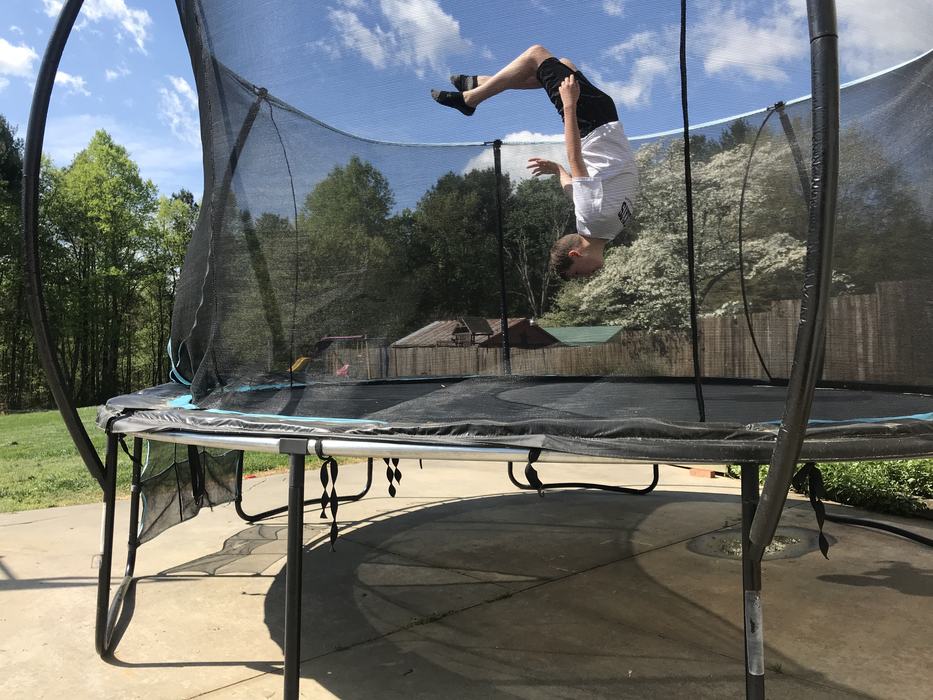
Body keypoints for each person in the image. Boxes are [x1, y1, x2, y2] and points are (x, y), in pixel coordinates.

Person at [432, 44, 638, 280]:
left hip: (591, 123)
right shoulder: (605, 230)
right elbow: (575, 192)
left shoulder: (592, 218)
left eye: (578, 274)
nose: (586, 276)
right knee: (563, 65)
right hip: (603, 121)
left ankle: (470, 99)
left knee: (536, 55)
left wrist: (569, 105)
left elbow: (575, 158)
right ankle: (484, 83)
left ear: (575, 254)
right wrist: (559, 171)